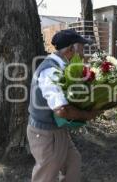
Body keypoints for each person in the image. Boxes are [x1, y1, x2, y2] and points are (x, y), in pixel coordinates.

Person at [27, 29, 98, 182]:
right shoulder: (50, 71)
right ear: (71, 49)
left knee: (73, 162)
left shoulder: (62, 67)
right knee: (46, 176)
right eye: (82, 48)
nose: (84, 52)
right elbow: (61, 110)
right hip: (45, 134)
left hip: (57, 131)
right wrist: (87, 115)